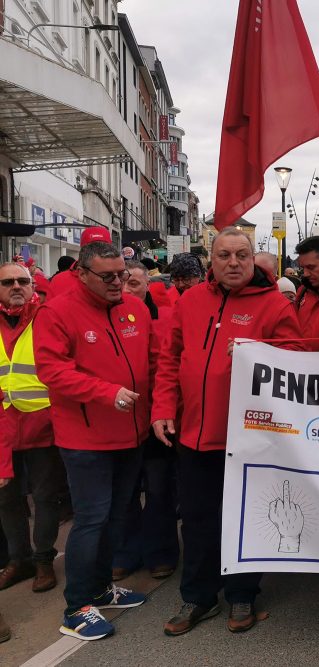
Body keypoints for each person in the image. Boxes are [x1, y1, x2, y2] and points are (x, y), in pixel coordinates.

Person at [152, 228, 303, 636]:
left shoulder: (273, 305)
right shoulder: (189, 301)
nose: (233, 262)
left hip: (248, 439)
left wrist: (260, 354)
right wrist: (163, 407)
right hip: (194, 435)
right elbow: (170, 358)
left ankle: (242, 594)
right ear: (211, 262)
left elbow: (295, 361)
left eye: (241, 254)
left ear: (254, 259)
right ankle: (199, 597)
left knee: (246, 520)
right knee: (198, 520)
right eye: (224, 255)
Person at [33, 242, 157, 641]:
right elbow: (51, 371)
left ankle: (102, 588)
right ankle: (77, 607)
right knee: (91, 519)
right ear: (82, 274)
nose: (119, 282)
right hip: (85, 439)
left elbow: (153, 362)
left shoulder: (135, 308)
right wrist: (107, 393)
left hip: (131, 434)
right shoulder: (57, 312)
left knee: (117, 516)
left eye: (122, 274)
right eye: (108, 277)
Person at [112, 261, 178, 583]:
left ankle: (161, 553)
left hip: (153, 420)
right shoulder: (109, 315)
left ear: (147, 287)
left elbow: (163, 366)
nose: (126, 288)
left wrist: (160, 411)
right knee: (124, 494)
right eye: (123, 282)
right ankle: (126, 552)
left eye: (134, 283)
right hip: (119, 420)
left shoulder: (162, 319)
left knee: (159, 490)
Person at [0, 263, 60, 594]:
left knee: (45, 496)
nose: (16, 286)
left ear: (33, 285)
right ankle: (18, 560)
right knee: (6, 499)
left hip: (42, 423)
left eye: (23, 281)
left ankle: (42, 560)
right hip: (2, 428)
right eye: (8, 282)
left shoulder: (45, 318)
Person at [45, 227, 112, 300]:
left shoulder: (118, 279)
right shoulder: (59, 280)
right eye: (92, 249)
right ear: (82, 251)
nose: (98, 254)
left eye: (103, 249)